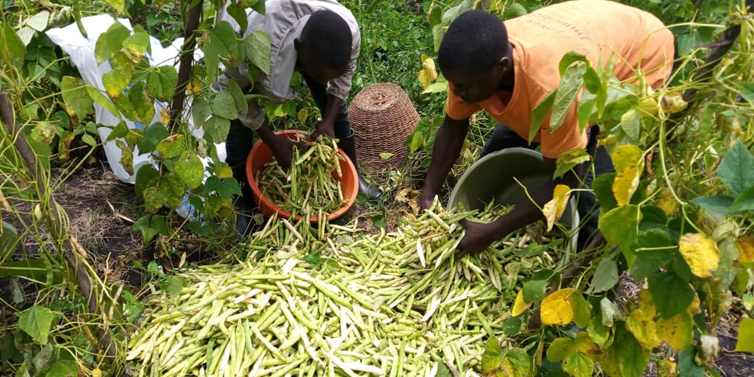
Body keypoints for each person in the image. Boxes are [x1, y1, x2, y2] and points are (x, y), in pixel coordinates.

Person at [419, 0, 674, 256]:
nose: (457, 92)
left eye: (463, 87)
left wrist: (494, 230)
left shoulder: (549, 88)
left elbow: (566, 179)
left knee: (592, 191)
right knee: (501, 147)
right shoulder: (474, 61)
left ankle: (587, 272)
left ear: (502, 68)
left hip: (639, 57)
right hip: (590, 29)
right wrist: (428, 194)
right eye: (454, 84)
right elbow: (454, 125)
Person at [215, 0, 383, 235]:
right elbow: (231, 94)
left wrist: (328, 121)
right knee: (236, 124)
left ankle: (354, 174)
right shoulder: (252, 47)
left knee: (332, 101)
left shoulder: (346, 30)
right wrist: (273, 143)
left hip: (311, 46)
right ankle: (244, 201)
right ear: (299, 48)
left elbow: (341, 82)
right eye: (316, 74)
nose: (323, 82)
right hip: (247, 36)